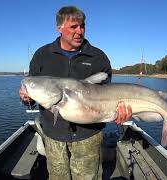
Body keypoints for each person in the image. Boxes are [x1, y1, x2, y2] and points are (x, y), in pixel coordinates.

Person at [19, 6, 132, 180]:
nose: (80, 31)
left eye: (82, 26)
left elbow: (107, 97)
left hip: (89, 136)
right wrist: (26, 98)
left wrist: (119, 113)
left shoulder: (98, 57)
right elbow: (32, 99)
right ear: (59, 28)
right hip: (53, 135)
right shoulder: (42, 55)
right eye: (74, 27)